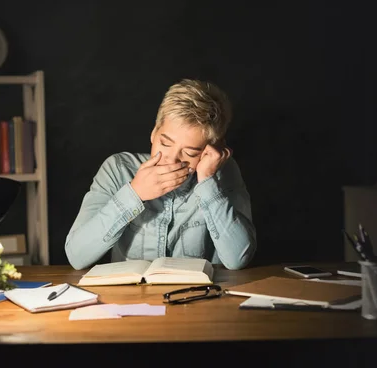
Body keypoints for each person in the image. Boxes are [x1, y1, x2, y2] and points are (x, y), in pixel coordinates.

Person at [65, 79, 257, 270]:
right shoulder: (118, 168)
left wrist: (207, 181)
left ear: (210, 150)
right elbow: (77, 256)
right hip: (128, 299)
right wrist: (135, 193)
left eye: (190, 153)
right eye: (165, 143)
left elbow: (238, 259)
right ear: (153, 133)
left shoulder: (222, 173)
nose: (172, 160)